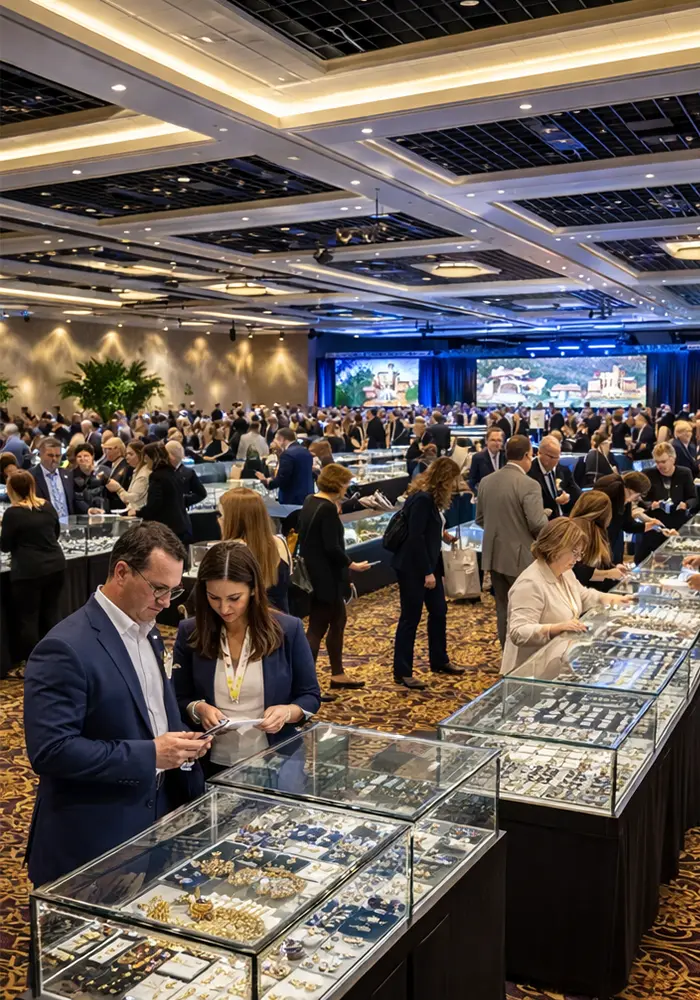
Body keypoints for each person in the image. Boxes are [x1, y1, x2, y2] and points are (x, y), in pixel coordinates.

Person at [23, 523, 208, 886]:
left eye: (174, 590)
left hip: (154, 825)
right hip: (92, 839)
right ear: (121, 572)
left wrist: (184, 745)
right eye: (158, 588)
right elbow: (51, 751)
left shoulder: (150, 630)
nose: (166, 603)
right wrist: (150, 755)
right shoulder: (64, 647)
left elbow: (150, 712)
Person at [172, 541, 320, 773]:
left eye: (234, 598)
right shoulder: (190, 632)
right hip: (210, 761)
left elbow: (310, 696)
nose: (224, 609)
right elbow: (177, 697)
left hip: (275, 759)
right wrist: (198, 708)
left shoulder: (288, 630)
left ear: (253, 589)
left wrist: (287, 713)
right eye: (214, 598)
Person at [502, 518, 630, 674]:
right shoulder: (530, 583)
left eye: (580, 553)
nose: (579, 559)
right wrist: (556, 628)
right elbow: (518, 632)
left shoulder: (565, 572)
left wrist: (616, 599)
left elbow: (584, 596)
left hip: (556, 661)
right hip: (529, 670)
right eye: (574, 553)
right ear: (555, 549)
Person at [391, 457, 464, 689]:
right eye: (453, 480)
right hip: (414, 568)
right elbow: (415, 538)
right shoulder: (422, 499)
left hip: (428, 564)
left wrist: (442, 535)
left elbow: (426, 530)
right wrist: (427, 572)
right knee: (410, 619)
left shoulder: (428, 498)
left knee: (439, 611)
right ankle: (402, 671)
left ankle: (439, 660)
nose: (455, 485)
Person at [296, 464, 370, 693]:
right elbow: (332, 546)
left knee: (337, 622)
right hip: (325, 577)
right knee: (317, 628)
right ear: (336, 483)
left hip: (317, 573)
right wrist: (352, 564)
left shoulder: (311, 500)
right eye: (345, 483)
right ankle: (306, 684)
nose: (348, 487)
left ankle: (337, 674)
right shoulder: (327, 508)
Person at [476, 435, 549, 647]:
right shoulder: (529, 484)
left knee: (503, 607)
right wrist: (545, 513)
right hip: (521, 558)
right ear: (528, 455)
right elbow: (538, 524)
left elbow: (480, 519)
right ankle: (522, 658)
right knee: (526, 610)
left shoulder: (486, 481)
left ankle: (506, 654)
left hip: (493, 555)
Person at [1, 470, 66, 664]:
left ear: (11, 489)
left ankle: (34, 663)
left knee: (28, 619)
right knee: (51, 613)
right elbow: (56, 533)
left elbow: (5, 545)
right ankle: (57, 658)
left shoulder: (13, 513)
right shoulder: (46, 506)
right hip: (56, 566)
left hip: (29, 572)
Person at [219, 487, 291, 613]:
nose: (218, 520)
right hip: (282, 620)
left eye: (221, 515)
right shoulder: (280, 543)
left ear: (234, 521)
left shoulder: (232, 554)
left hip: (250, 624)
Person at [634, 442, 696, 564]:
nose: (659, 465)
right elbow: (639, 499)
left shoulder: (685, 473)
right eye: (656, 462)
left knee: (676, 562)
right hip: (654, 524)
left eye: (663, 461)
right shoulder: (648, 473)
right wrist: (651, 505)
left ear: (672, 459)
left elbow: (693, 498)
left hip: (677, 524)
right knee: (641, 561)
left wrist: (686, 505)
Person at [595, 472, 665, 564]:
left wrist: (651, 525)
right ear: (631, 490)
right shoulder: (607, 500)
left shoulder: (626, 501)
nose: (638, 498)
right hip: (598, 546)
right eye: (638, 495)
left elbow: (628, 525)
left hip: (613, 546)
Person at [570, 490, 629, 592]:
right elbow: (576, 570)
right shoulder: (576, 530)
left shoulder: (598, 530)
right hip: (583, 593)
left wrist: (614, 567)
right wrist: (608, 573)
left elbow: (601, 562)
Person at [136, 442, 189, 542]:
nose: (145, 461)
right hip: (181, 525)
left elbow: (155, 504)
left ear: (152, 457)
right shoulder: (173, 473)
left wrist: (138, 512)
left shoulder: (157, 477)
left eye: (146, 458)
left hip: (166, 528)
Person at [30, 436, 89, 517]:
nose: (54, 459)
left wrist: (88, 510)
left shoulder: (68, 475)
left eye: (58, 456)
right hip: (44, 526)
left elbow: (75, 501)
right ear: (40, 455)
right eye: (50, 455)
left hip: (68, 525)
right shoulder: (30, 477)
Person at [256, 428, 314, 506]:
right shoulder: (305, 451)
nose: (274, 442)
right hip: (307, 498)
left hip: (291, 500)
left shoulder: (287, 455)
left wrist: (267, 482)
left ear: (282, 439)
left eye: (275, 439)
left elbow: (282, 479)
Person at [528, 435, 580, 517]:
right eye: (554, 457)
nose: (557, 461)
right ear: (541, 454)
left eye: (558, 457)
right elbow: (532, 505)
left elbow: (576, 492)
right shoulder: (530, 473)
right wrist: (555, 501)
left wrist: (568, 497)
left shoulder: (562, 470)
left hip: (564, 518)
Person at [106, 440, 149, 514]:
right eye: (126, 454)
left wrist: (118, 489)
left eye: (131, 454)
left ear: (141, 455)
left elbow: (132, 499)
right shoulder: (137, 471)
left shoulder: (143, 475)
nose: (127, 457)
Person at [97, 436, 132, 512]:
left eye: (109, 449)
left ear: (118, 450)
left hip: (120, 507)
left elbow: (118, 485)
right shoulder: (114, 465)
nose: (106, 452)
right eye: (105, 449)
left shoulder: (126, 467)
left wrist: (106, 480)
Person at [468, 428, 505, 492]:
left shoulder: (507, 457)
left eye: (499, 440)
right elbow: (472, 481)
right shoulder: (477, 458)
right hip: (485, 495)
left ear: (502, 442)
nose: (496, 443)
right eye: (493, 440)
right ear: (486, 441)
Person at [72, 442, 105, 509]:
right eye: (79, 456)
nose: (82, 458)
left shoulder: (102, 471)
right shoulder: (71, 475)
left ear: (92, 456)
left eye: (86, 456)